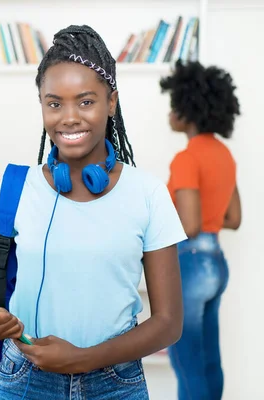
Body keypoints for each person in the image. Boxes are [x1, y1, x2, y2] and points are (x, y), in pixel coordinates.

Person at [0, 25, 188, 399]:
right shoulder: (16, 187)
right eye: (54, 103)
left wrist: (83, 359)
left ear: (111, 102)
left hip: (115, 384)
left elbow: (169, 323)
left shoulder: (148, 193)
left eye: (86, 101)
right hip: (23, 378)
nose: (69, 117)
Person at [160, 60, 241, 400]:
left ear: (187, 109)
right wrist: (204, 215)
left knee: (188, 362)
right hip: (217, 263)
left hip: (191, 264)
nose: (169, 112)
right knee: (209, 361)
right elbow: (233, 218)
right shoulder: (224, 155)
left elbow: (189, 225)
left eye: (174, 103)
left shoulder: (186, 158)